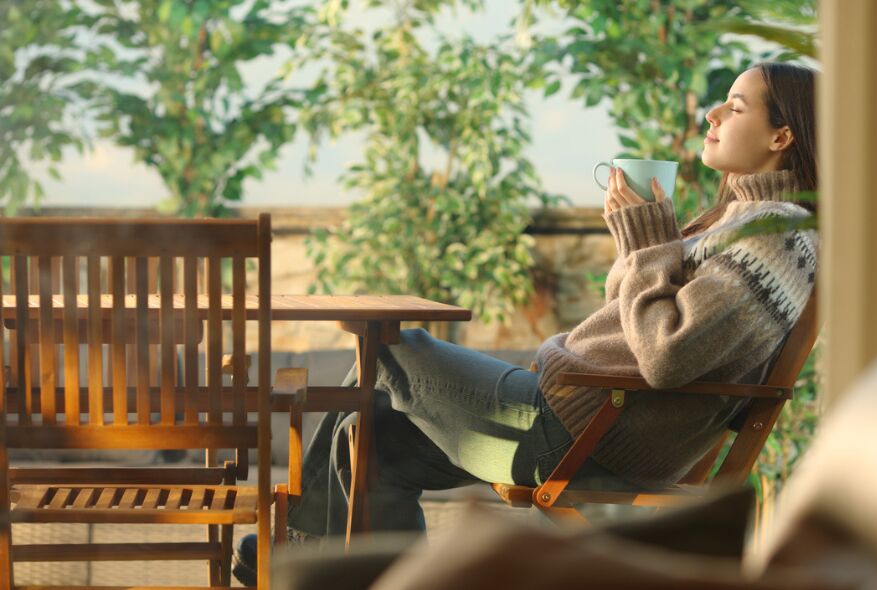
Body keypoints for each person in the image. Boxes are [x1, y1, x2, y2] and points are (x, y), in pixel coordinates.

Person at [233, 61, 819, 585]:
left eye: (736, 107)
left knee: (390, 351)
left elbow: (666, 355)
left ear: (781, 135)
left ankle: (295, 553)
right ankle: (347, 568)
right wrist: (640, 242)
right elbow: (634, 310)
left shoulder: (773, 238)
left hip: (585, 430)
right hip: (587, 413)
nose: (714, 113)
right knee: (374, 437)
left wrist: (646, 244)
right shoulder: (741, 223)